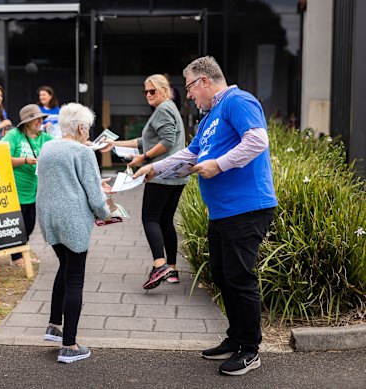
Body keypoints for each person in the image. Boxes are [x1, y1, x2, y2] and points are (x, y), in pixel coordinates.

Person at [134, 56, 277, 376]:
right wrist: (153, 168)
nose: (188, 95)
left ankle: (251, 350)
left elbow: (257, 140)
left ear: (204, 82)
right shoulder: (210, 117)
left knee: (240, 278)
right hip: (223, 212)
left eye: (188, 88)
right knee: (222, 274)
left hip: (248, 207)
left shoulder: (239, 101)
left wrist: (220, 164)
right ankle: (236, 338)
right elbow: (190, 154)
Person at [37, 102, 112, 364]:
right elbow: (94, 195)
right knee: (75, 279)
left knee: (65, 267)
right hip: (73, 221)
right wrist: (107, 213)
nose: (88, 132)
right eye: (88, 128)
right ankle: (69, 346)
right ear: (80, 127)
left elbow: (58, 180)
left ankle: (54, 326)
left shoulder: (48, 147)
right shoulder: (83, 152)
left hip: (49, 220)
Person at [103, 74, 188, 289]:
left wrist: (145, 158)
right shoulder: (169, 109)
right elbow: (145, 140)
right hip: (175, 175)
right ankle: (172, 269)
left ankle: (159, 265)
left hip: (160, 174)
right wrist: (113, 144)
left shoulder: (163, 109)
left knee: (150, 218)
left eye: (153, 91)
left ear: (165, 90)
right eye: (146, 91)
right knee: (165, 221)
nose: (148, 95)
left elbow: (167, 142)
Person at [1, 104, 53, 267]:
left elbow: (61, 147)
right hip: (14, 189)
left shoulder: (44, 138)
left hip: (33, 191)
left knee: (29, 226)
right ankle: (17, 258)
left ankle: (21, 254)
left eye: (40, 119)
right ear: (26, 122)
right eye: (35, 119)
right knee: (18, 226)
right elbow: (0, 156)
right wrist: (24, 160)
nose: (39, 121)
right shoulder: (14, 136)